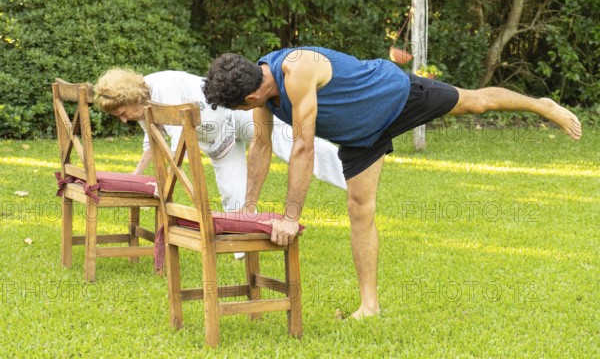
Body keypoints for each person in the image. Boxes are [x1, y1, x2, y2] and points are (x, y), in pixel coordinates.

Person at [202, 46, 582, 319]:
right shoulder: (263, 96)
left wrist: (290, 215)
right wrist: (248, 206)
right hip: (360, 137)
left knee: (475, 103)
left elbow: (303, 148)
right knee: (359, 211)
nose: (243, 112)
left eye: (239, 107)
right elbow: (261, 146)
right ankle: (370, 306)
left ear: (249, 95)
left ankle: (542, 104)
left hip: (393, 96)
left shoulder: (295, 70)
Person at [93, 68, 347, 214]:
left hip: (236, 113)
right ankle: (243, 251)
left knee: (291, 142)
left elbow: (179, 143)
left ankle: (351, 175)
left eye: (122, 113)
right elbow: (152, 141)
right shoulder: (141, 105)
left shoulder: (163, 89)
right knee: (231, 194)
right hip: (217, 141)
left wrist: (167, 183)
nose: (124, 120)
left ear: (130, 97)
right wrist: (138, 174)